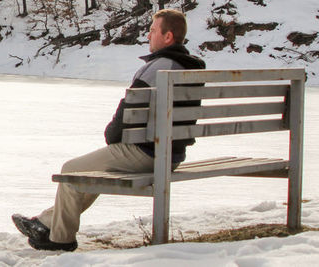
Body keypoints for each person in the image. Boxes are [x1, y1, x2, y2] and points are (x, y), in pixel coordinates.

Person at [12, 9, 206, 251]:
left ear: (168, 37)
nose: (148, 35)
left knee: (71, 170)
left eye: (153, 30)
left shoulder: (158, 68)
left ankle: (60, 239)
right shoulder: (190, 68)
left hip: (147, 153)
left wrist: (111, 136)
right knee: (94, 170)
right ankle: (45, 223)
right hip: (172, 155)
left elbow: (124, 117)